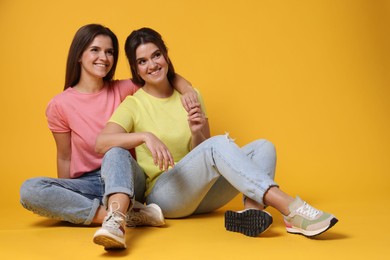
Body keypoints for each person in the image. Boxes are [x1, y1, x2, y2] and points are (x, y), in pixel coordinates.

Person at [96, 27, 338, 245]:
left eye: (156, 55)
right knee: (218, 145)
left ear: (166, 55)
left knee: (264, 147)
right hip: (167, 196)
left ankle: (251, 212)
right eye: (142, 61)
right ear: (136, 68)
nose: (152, 65)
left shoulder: (191, 95)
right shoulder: (134, 104)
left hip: (203, 197)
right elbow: (102, 143)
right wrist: (144, 136)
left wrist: (195, 131)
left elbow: (206, 154)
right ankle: (290, 208)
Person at [19, 24, 198, 250]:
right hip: (90, 182)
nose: (103, 57)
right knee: (30, 190)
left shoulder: (124, 88)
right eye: (95, 50)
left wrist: (189, 90)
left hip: (128, 175)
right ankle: (124, 215)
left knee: (115, 151)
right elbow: (64, 156)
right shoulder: (59, 105)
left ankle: (117, 218)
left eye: (110, 52)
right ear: (79, 55)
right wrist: (64, 196)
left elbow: (162, 75)